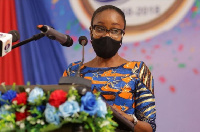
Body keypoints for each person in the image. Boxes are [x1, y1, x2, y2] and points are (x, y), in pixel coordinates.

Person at [63, 5, 156, 132]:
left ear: (122, 34)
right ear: (91, 31)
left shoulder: (138, 70)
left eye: (115, 30)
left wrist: (129, 119)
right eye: (100, 29)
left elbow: (148, 128)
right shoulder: (74, 70)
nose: (107, 35)